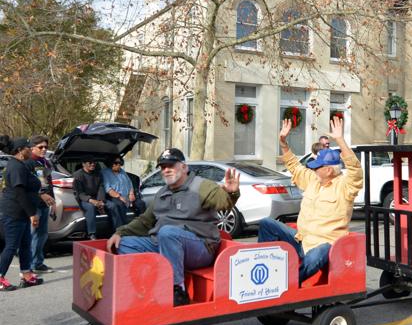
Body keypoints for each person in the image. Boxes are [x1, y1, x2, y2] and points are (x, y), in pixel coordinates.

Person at [106, 148, 241, 306]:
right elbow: (145, 221)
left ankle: (177, 290)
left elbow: (223, 203)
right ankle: (150, 284)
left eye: (171, 165)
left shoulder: (202, 187)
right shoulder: (162, 193)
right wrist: (120, 233)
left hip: (200, 246)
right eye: (163, 167)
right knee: (124, 244)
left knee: (168, 233)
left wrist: (232, 193)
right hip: (165, 243)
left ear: (184, 167)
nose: (166, 170)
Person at [258, 116, 363, 283]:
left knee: (319, 253)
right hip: (302, 240)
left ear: (328, 170)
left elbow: (355, 170)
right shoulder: (313, 180)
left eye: (317, 167)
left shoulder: (344, 187)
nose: (313, 169)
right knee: (267, 224)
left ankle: (285, 284)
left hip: (324, 245)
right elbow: (294, 165)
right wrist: (283, 142)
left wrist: (340, 140)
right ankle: (264, 269)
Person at [0, 137, 44, 290]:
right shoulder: (15, 167)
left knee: (25, 245)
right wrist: (32, 213)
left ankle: (26, 275)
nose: (29, 149)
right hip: (14, 213)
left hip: (22, 213)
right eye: (27, 147)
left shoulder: (20, 165)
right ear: (20, 151)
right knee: (11, 246)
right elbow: (20, 193)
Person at [26, 135, 56, 273]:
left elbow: (49, 184)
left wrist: (53, 202)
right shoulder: (28, 163)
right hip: (33, 204)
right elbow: (26, 186)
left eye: (46, 147)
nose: (44, 149)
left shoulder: (46, 162)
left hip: (45, 205)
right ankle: (30, 266)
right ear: (32, 148)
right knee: (33, 235)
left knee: (43, 235)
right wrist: (40, 194)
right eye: (40, 147)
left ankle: (38, 263)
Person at [73, 156, 106, 239]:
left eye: (94, 162)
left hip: (97, 198)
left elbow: (101, 188)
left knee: (112, 206)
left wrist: (100, 200)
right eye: (90, 162)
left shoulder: (98, 174)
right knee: (90, 207)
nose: (93, 164)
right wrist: (92, 201)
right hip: (84, 199)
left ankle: (115, 231)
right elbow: (79, 193)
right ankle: (91, 233)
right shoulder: (78, 175)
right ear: (83, 164)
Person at [101, 157, 135, 229]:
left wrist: (131, 193)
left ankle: (142, 227)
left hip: (127, 196)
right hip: (115, 197)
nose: (119, 165)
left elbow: (130, 183)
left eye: (120, 163)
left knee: (141, 203)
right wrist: (120, 197)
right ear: (111, 164)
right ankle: (121, 229)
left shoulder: (122, 171)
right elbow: (108, 189)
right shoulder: (105, 172)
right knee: (120, 204)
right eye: (116, 163)